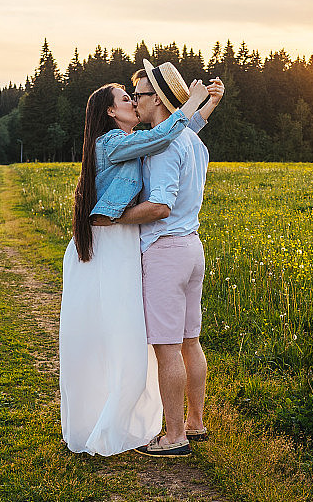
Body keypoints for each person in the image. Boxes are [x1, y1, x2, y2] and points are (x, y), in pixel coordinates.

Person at [59, 77, 213, 456]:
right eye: (126, 98)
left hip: (133, 242)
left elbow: (171, 136)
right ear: (110, 111)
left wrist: (203, 105)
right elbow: (167, 138)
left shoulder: (149, 142)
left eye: (137, 96)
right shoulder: (112, 143)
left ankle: (169, 426)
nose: (133, 102)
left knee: (142, 338)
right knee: (120, 333)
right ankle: (130, 415)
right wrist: (193, 103)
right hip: (116, 244)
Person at [104, 60, 222, 457]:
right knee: (191, 341)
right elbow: (193, 121)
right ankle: (196, 423)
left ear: (157, 99)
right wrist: (207, 104)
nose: (135, 102)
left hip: (166, 250)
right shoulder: (192, 139)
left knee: (167, 348)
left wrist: (115, 218)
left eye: (139, 95)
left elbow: (160, 207)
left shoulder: (163, 143)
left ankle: (174, 437)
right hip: (192, 248)